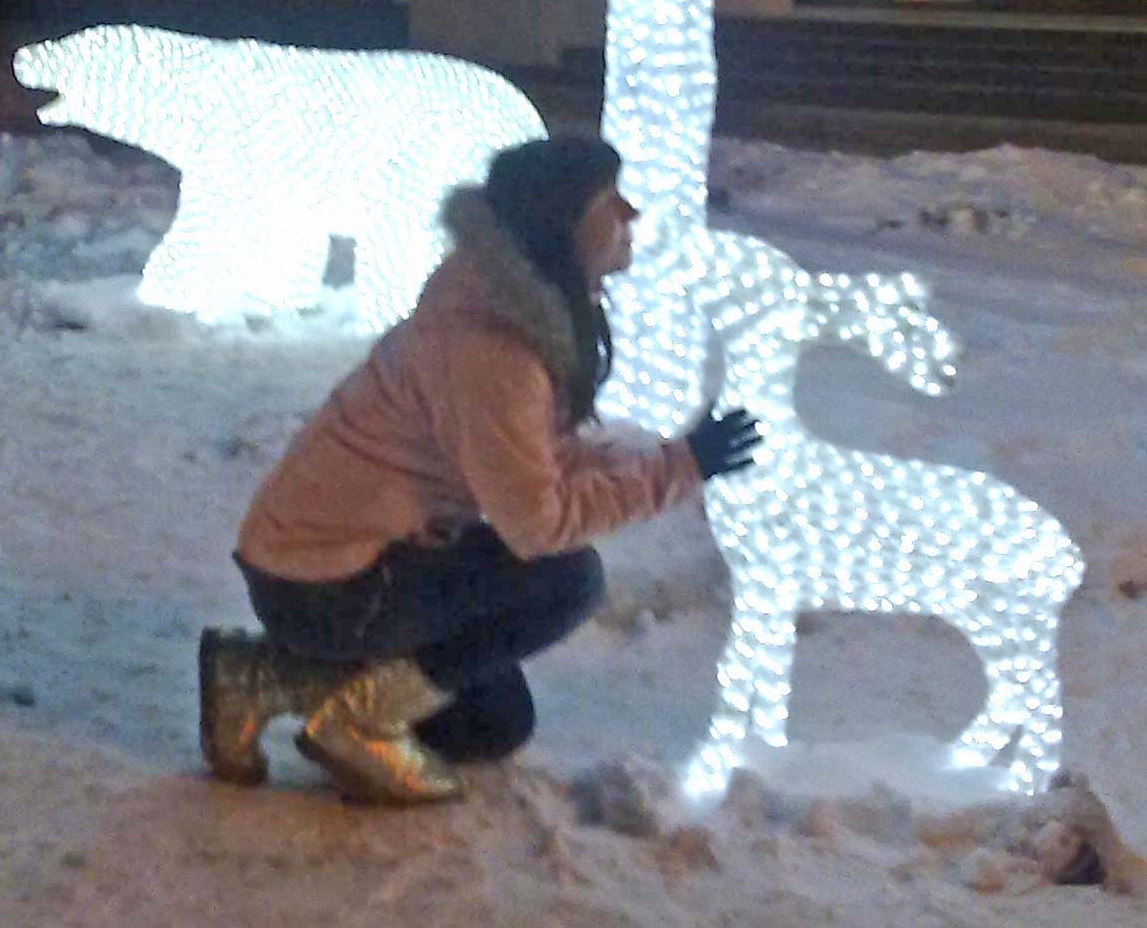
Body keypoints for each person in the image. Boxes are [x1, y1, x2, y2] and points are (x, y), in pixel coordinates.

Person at [199, 135, 762, 804]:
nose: (630, 214)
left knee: (493, 723)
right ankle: (361, 721)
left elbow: (533, 452)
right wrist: (676, 469)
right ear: (561, 226)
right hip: (326, 583)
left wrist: (668, 460)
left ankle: (257, 676)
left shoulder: (501, 306)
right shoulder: (493, 352)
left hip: (348, 558)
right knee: (567, 580)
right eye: (610, 201)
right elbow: (537, 525)